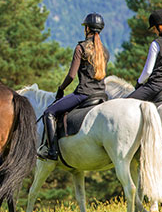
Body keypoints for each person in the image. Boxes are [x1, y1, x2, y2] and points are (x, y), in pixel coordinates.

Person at [38, 13, 109, 161]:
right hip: (101, 95)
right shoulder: (104, 51)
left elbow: (71, 75)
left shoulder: (81, 48)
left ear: (87, 29)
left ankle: (52, 151)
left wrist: (61, 89)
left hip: (84, 94)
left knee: (49, 113)